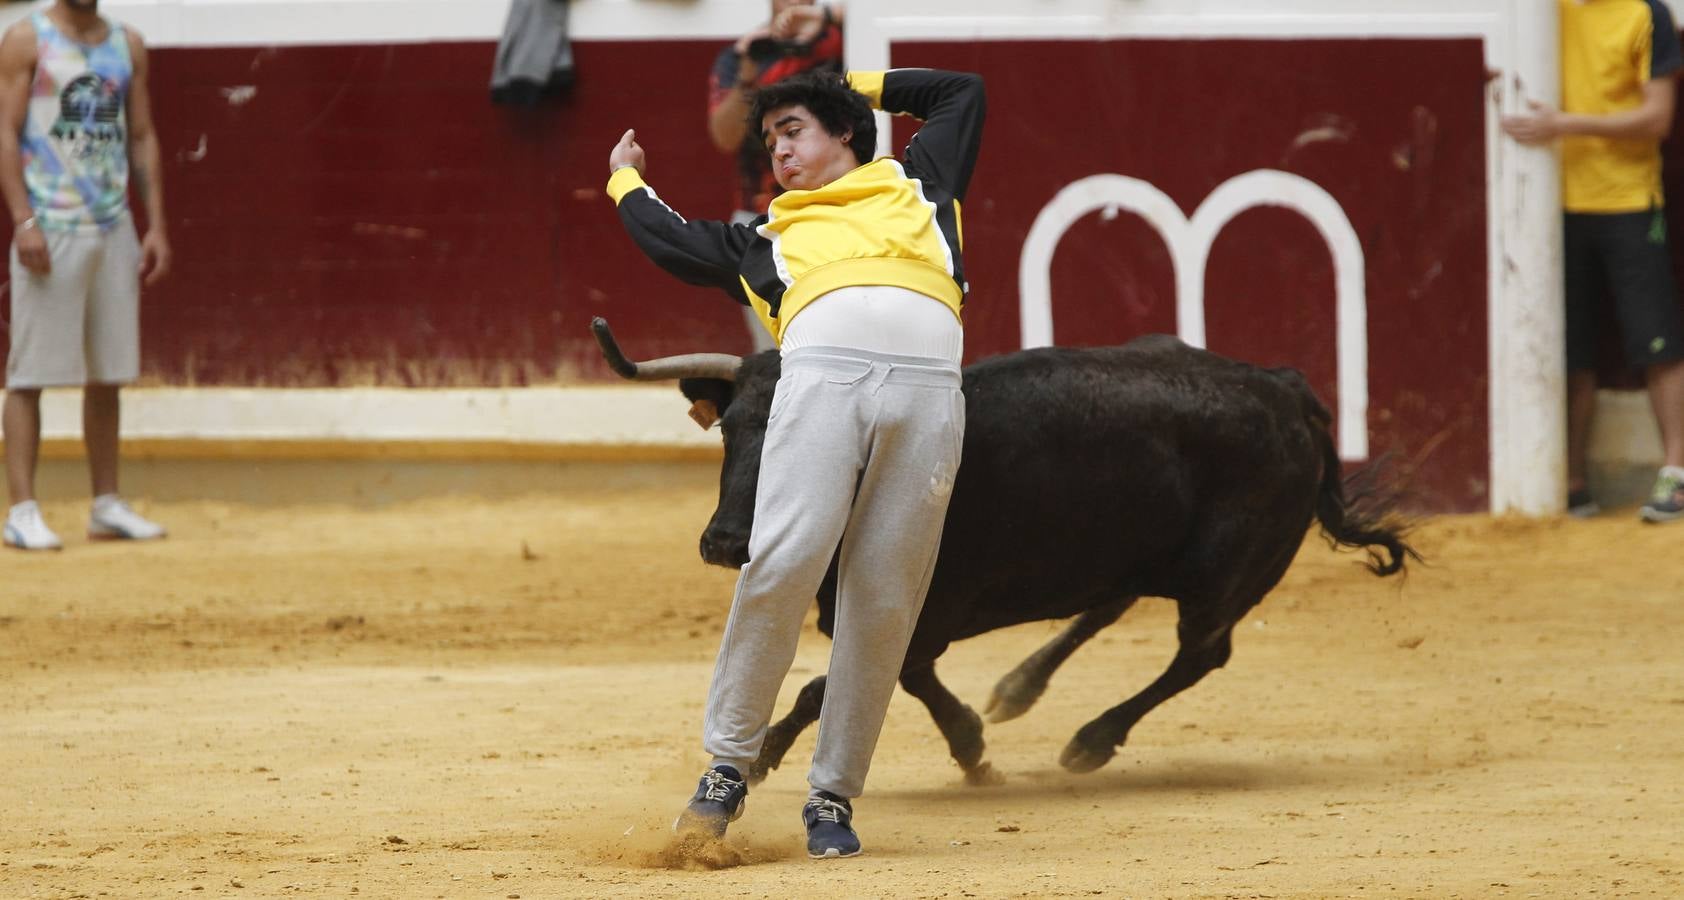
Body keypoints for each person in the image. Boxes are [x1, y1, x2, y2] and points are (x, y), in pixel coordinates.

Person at [605, 66, 985, 857]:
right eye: (769, 141)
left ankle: (833, 797)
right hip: (821, 386)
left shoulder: (921, 183)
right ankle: (728, 768)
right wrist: (624, 182)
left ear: (844, 131)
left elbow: (961, 92)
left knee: (882, 598)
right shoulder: (763, 240)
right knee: (781, 562)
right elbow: (669, 241)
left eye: (793, 130)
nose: (777, 151)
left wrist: (833, 81)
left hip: (928, 400)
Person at [1502, 0, 1684, 523]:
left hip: (1628, 200)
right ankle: (1571, 479)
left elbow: (1658, 117)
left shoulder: (1647, 13)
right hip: (1552, 204)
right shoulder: (1544, 11)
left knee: (1658, 341)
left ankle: (1675, 471)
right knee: (1568, 347)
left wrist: (1562, 124)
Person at [0, 0, 170, 551]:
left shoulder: (127, 43)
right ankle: (21, 510)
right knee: (29, 374)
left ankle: (106, 504)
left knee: (109, 370)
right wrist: (23, 219)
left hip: (111, 224)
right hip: (50, 226)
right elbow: (4, 131)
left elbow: (141, 136)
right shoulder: (27, 38)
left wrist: (156, 226)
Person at [708, 1, 844, 219]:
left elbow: (880, 14)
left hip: (833, 201)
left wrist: (824, 16)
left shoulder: (842, 39)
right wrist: (747, 77)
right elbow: (726, 138)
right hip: (761, 208)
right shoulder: (746, 52)